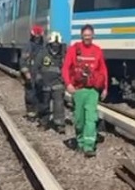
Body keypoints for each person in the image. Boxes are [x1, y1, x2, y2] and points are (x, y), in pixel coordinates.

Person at [62, 24, 108, 157]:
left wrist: (105, 88)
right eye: (85, 36)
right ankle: (80, 142)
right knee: (79, 119)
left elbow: (103, 70)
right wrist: (68, 84)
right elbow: (65, 68)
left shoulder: (97, 50)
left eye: (89, 36)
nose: (87, 38)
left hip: (93, 90)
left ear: (93, 36)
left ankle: (89, 147)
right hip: (78, 90)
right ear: (82, 36)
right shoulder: (74, 49)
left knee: (91, 118)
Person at [34, 31, 67, 133]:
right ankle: (44, 122)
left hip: (58, 83)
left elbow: (67, 67)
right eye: (54, 44)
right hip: (45, 83)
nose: (56, 47)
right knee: (44, 104)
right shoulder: (43, 53)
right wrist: (38, 78)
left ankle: (59, 124)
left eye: (58, 45)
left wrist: (64, 80)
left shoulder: (63, 54)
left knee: (59, 104)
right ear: (50, 44)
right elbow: (36, 66)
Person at [19, 25, 44, 119]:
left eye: (39, 35)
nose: (37, 37)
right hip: (30, 73)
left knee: (40, 94)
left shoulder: (43, 46)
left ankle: (38, 112)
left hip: (40, 73)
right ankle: (31, 113)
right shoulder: (28, 46)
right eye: (36, 35)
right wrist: (26, 73)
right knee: (30, 94)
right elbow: (23, 61)